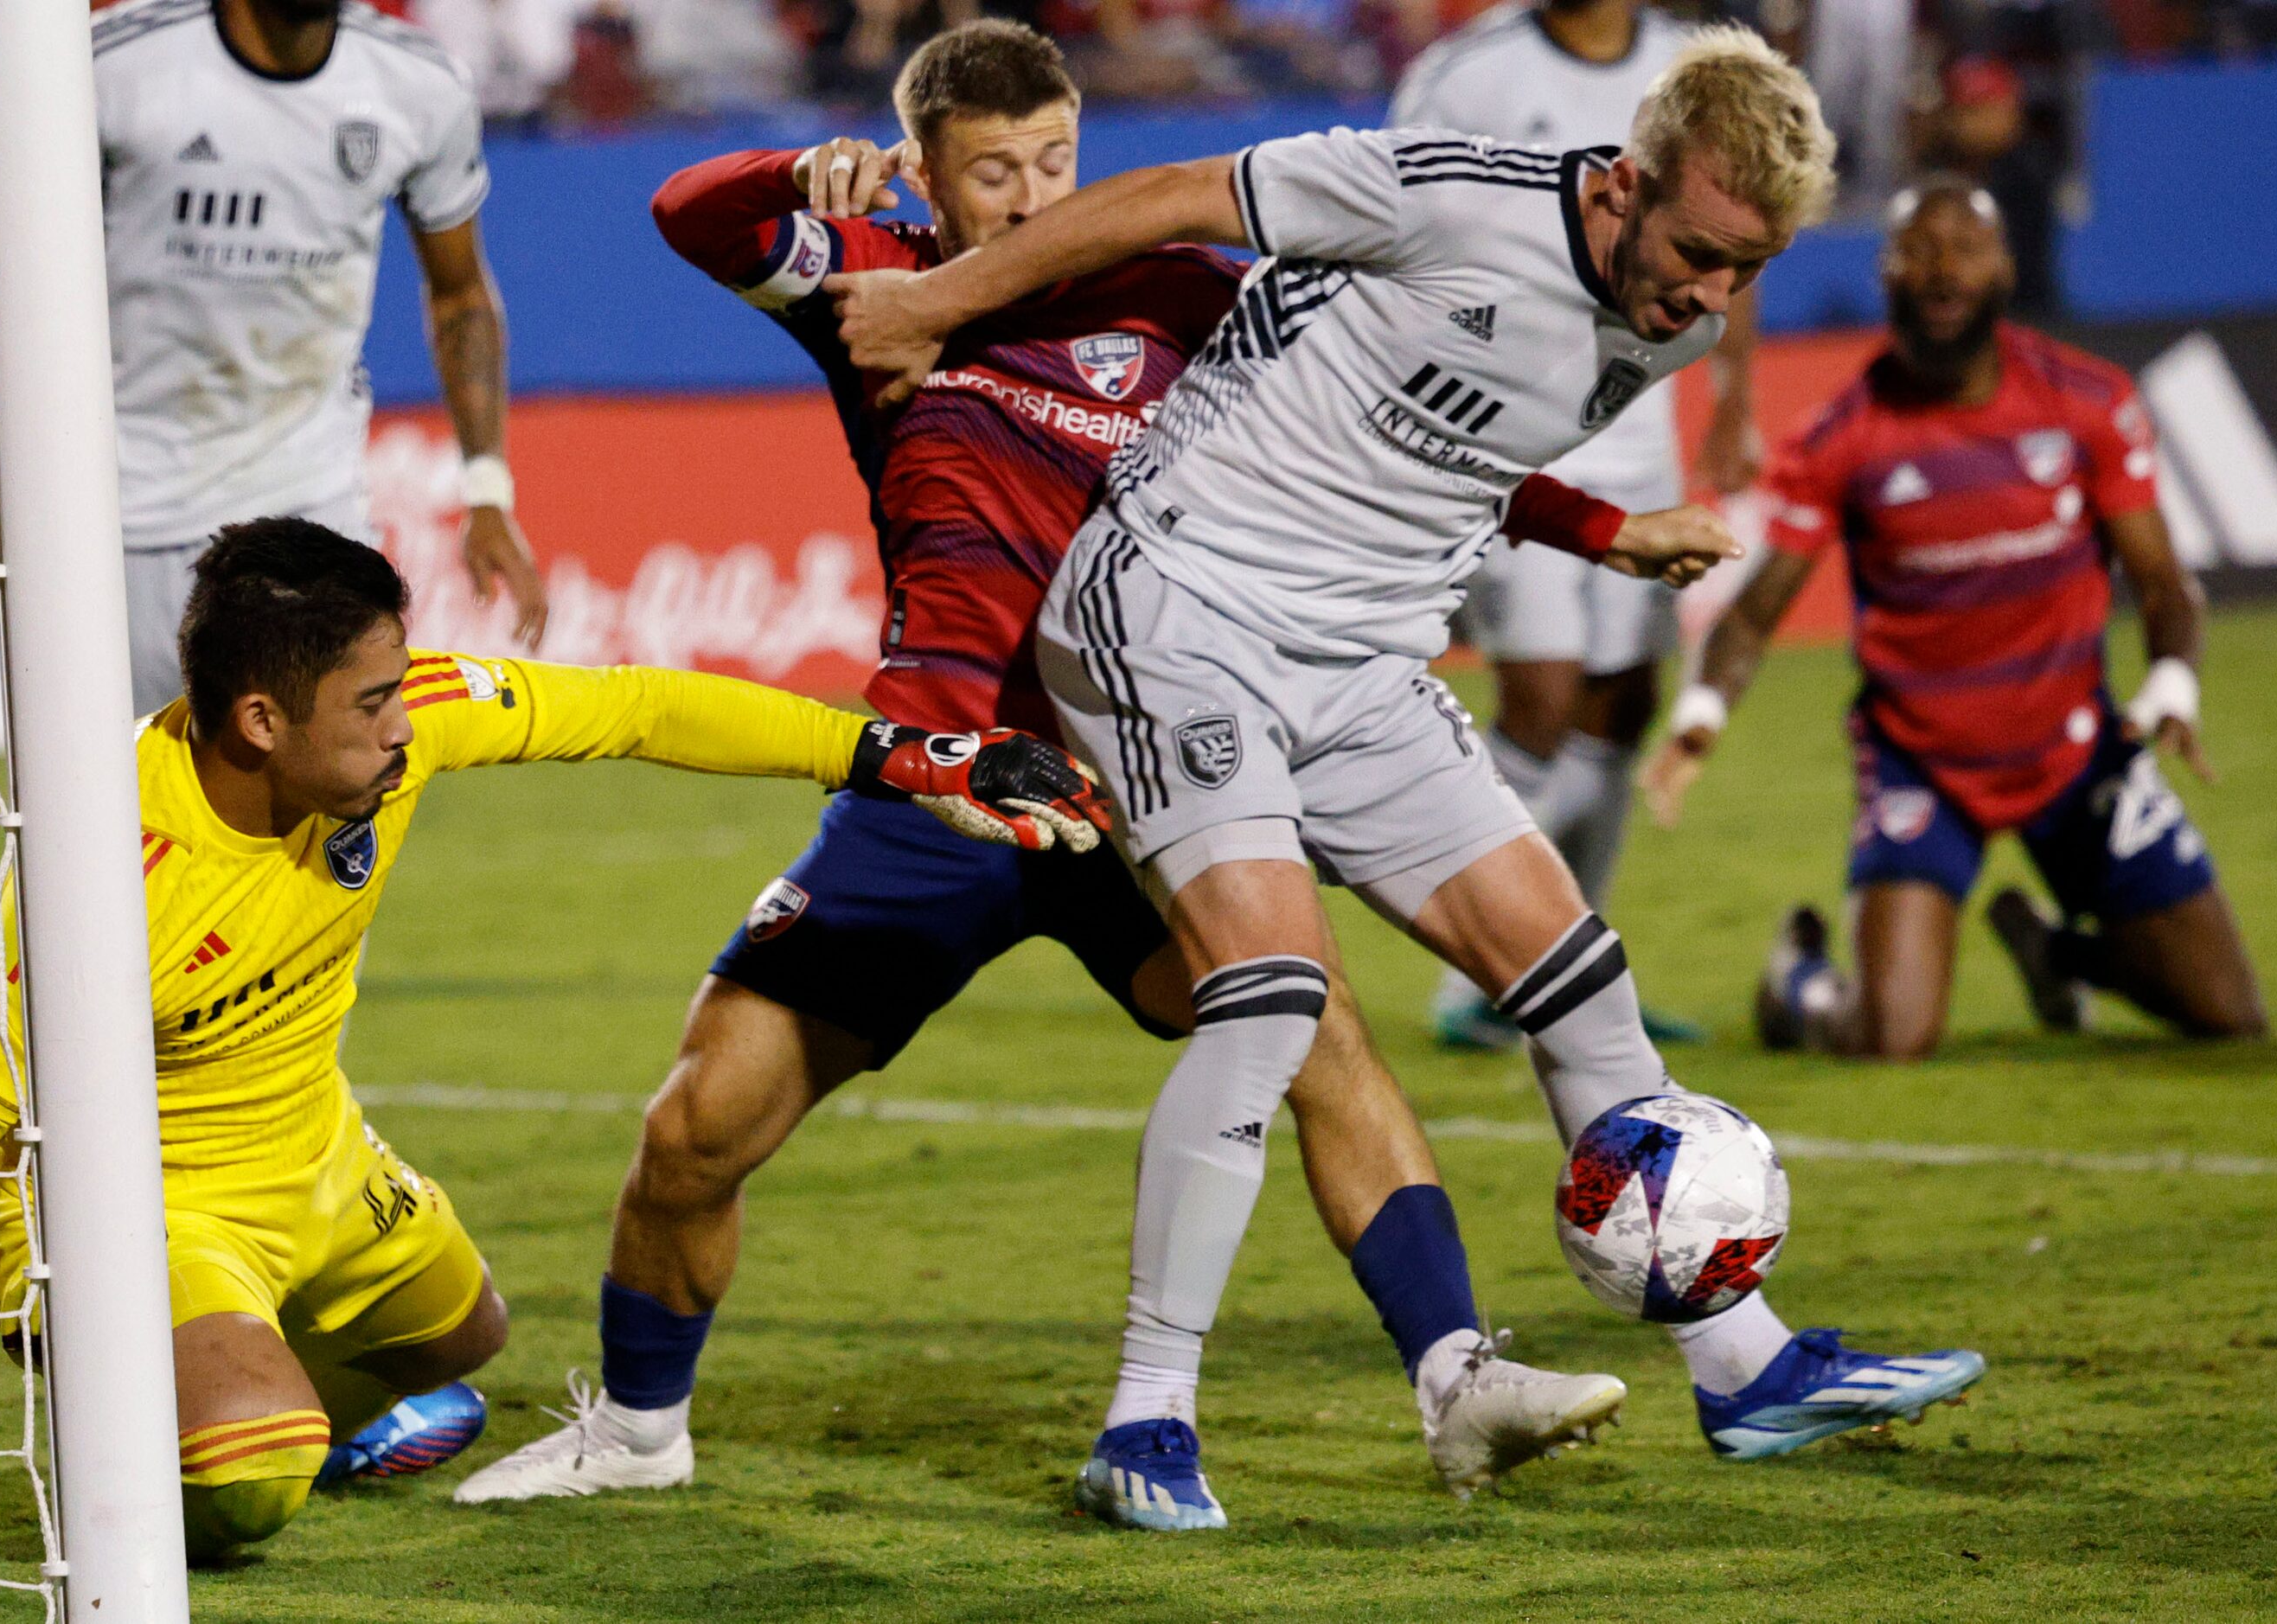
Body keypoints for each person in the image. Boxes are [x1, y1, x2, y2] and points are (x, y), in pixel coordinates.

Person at [452, 20, 1628, 1525]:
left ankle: (1456, 1371)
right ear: (925, 173)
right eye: (993, 171)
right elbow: (693, 215)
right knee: (697, 1125)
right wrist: (800, 172)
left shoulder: (1177, 290)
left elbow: (1392, 434)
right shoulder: (873, 289)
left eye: (1055, 163)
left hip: (1139, 770)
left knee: (1307, 1021)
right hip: (943, 784)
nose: (1027, 197)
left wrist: (1596, 530)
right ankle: (633, 1426)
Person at [828, 25, 1989, 1519]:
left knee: (1577, 977)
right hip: (1180, 616)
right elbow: (1179, 193)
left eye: (1746, 273)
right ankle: (1143, 1418)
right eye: (1698, 250)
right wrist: (933, 297)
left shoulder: (1670, 318)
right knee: (1268, 1005)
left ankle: (1741, 1365)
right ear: (1626, 184)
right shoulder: (1443, 190)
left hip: (1361, 665)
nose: (1710, 296)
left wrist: (1601, 529)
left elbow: (1433, 430)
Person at [0, 519, 1106, 1591]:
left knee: (466, 1334)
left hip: (320, 1158)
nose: (410, 723)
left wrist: (905, 755)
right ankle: (169, 1399)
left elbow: (635, 707)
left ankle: (241, 1388)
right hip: (136, 1210)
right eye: (374, 700)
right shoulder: (106, 876)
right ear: (261, 724)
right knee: (248, 1480)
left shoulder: (399, 734)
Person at [1641, 176, 2266, 1055]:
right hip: (1922, 766)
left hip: (2080, 754)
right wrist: (1698, 723)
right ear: (1885, 276)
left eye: (1965, 249)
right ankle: (1800, 984)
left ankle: (2059, 955)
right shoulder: (1844, 434)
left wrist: (2171, 684)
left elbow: (2165, 584)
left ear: (2005, 267)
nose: (1942, 272)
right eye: (1918, 252)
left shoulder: (2087, 400)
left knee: (2229, 1016)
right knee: (1891, 1034)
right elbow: (1753, 615)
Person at [0, 0, 547, 717]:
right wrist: (31, 469)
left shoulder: (417, 84)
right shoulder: (108, 66)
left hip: (308, 501)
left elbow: (461, 297)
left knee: (344, 787)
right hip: (118, 513)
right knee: (116, 814)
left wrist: (486, 489)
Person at [1388, 0, 1761, 1051]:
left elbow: (1742, 233)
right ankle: (1482, 965)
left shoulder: (1695, 73)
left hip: (1637, 433)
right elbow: (1402, 221)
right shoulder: (1470, 73)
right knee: (1543, 700)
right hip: (1514, 430)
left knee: (1626, 700)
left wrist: (1735, 395)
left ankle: (1571, 957)